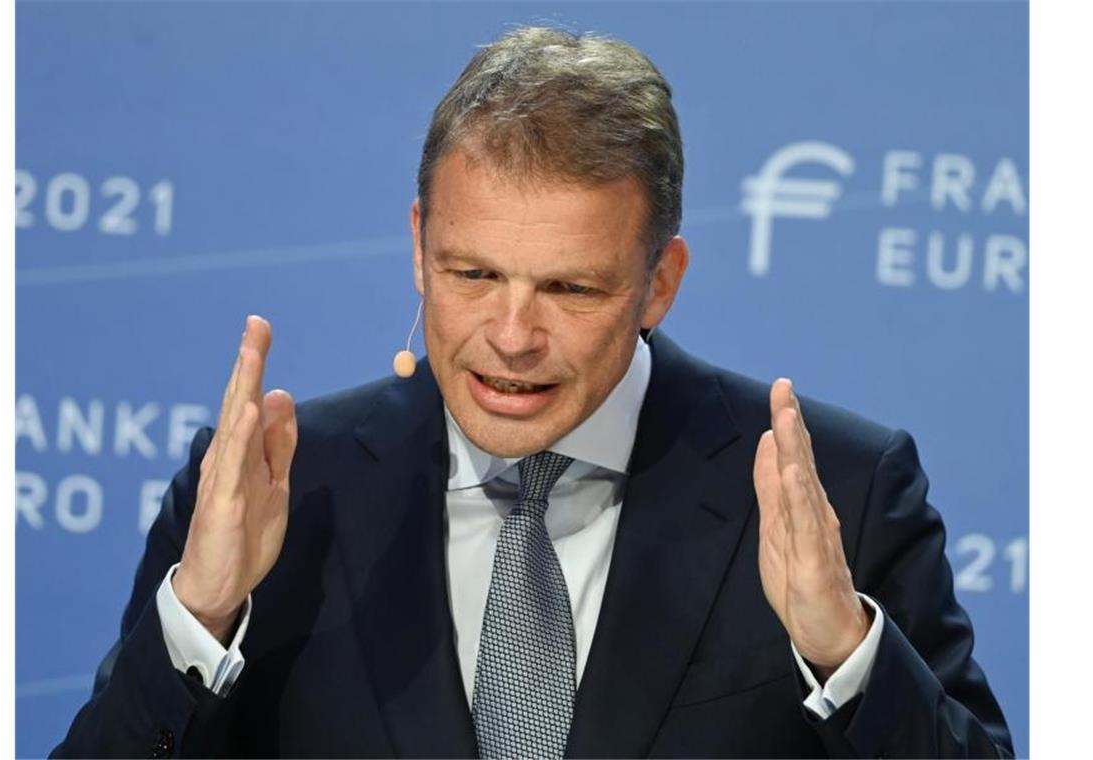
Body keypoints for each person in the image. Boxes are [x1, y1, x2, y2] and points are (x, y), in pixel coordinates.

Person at [53, 26, 1013, 758]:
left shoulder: (841, 490)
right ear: (419, 248)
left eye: (569, 288)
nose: (511, 339)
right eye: (471, 275)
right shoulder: (280, 490)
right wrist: (205, 614)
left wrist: (846, 655)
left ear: (660, 282)